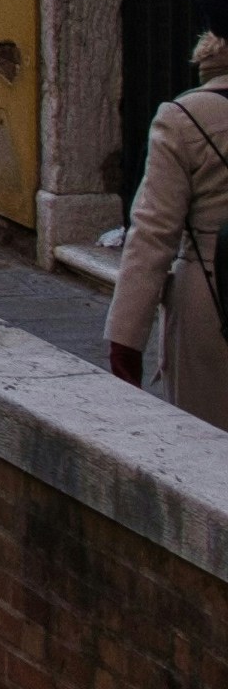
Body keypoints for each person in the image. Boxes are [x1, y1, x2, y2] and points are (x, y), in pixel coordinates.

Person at [107, 28, 228, 420]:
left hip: (214, 299)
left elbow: (152, 235)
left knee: (207, 452)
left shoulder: (185, 118)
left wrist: (125, 341)